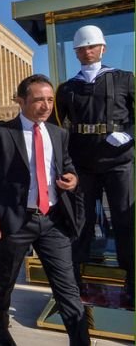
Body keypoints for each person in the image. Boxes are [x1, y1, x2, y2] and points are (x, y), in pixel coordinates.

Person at [0, 74, 89, 346]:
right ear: (21, 101)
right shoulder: (3, 132)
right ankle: (0, 330)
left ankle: (80, 340)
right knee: (4, 281)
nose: (46, 105)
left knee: (67, 287)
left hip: (52, 221)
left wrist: (72, 180)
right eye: (39, 99)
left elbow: (67, 166)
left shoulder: (58, 133)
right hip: (16, 222)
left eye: (50, 99)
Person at [52, 25, 134, 305]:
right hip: (82, 164)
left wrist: (129, 134)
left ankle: (131, 280)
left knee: (124, 221)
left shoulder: (124, 79)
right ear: (75, 52)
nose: (86, 51)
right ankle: (74, 282)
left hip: (119, 162)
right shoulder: (67, 88)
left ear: (102, 48)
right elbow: (56, 126)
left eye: (91, 46)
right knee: (81, 223)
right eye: (81, 48)